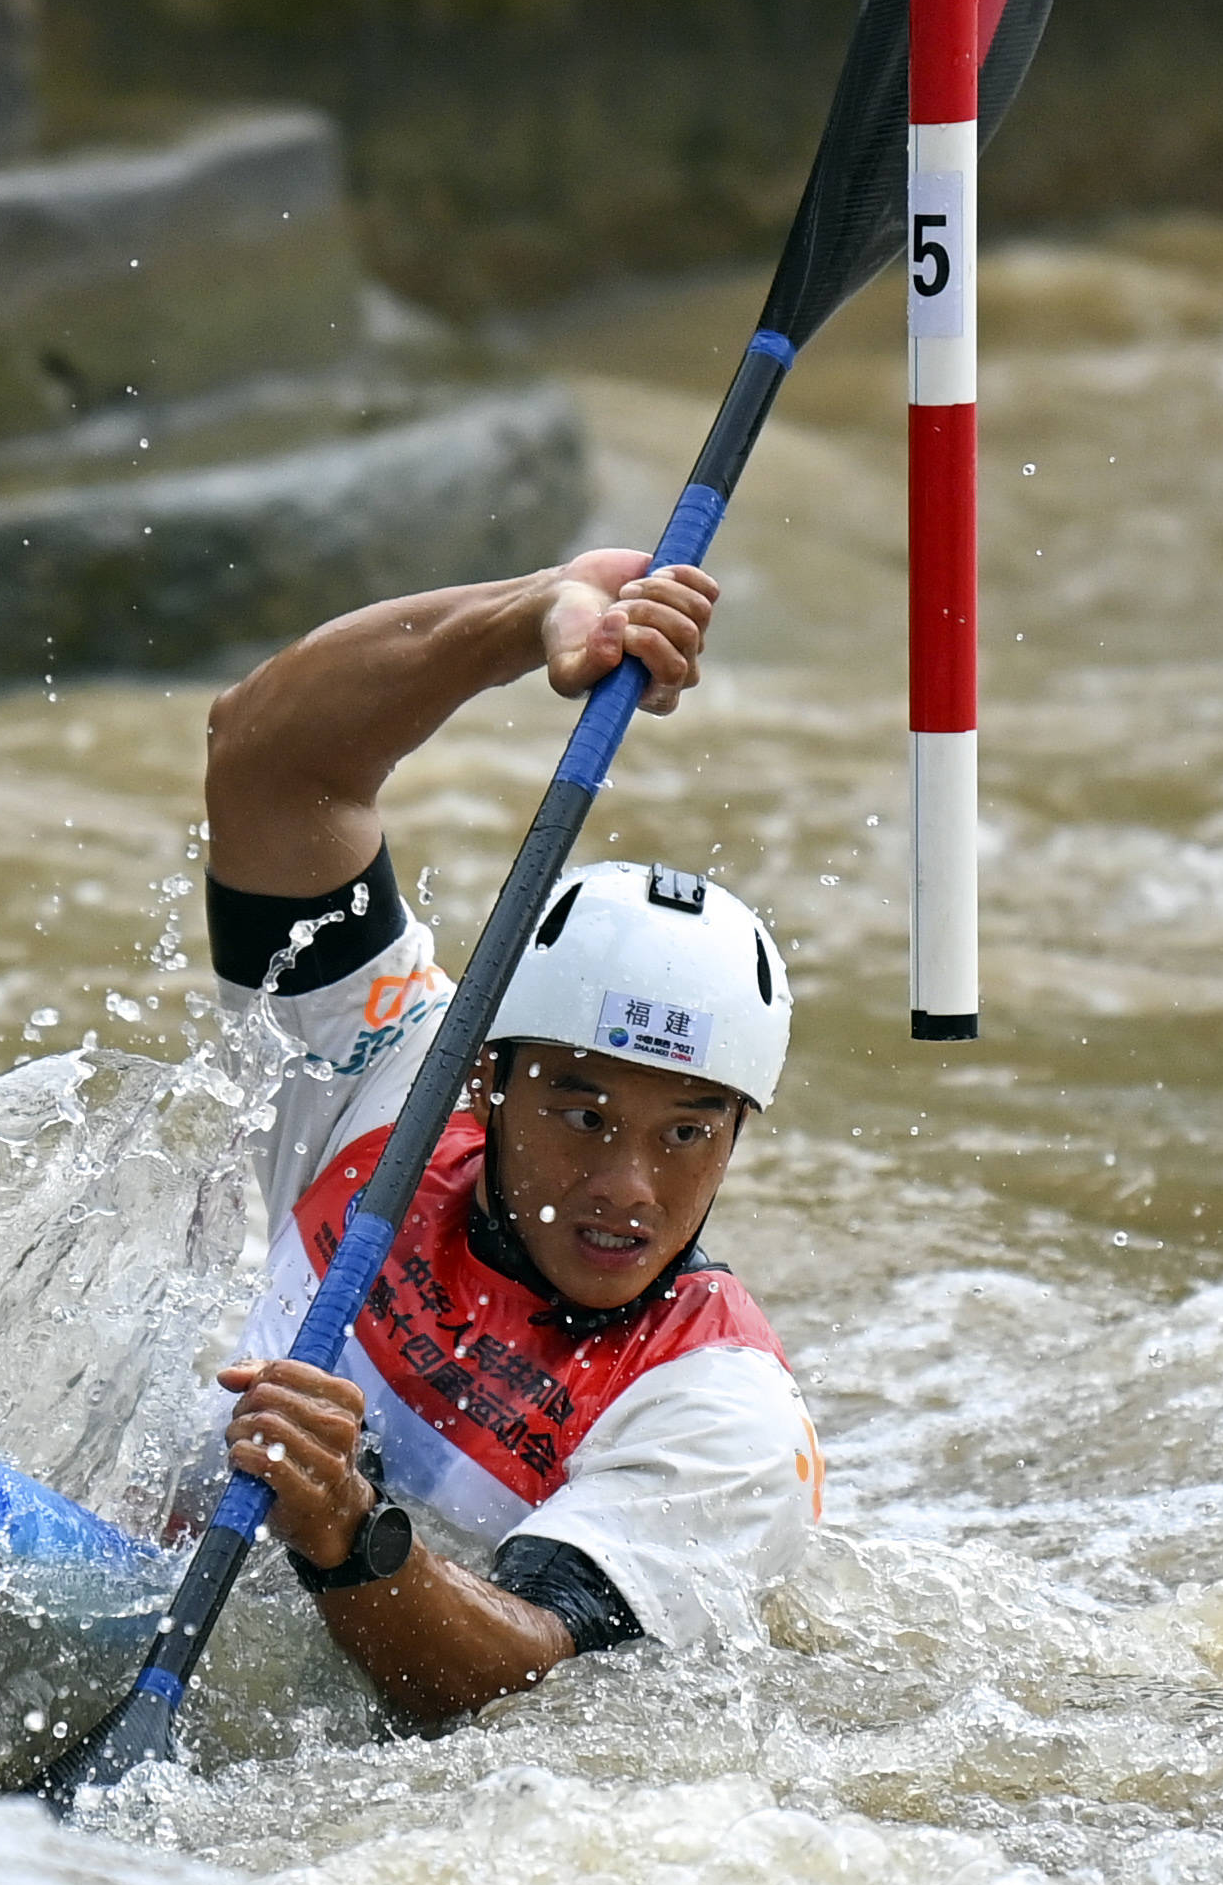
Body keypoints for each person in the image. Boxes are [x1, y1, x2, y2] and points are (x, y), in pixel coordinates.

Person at [205, 547, 823, 1724]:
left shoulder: (722, 1417)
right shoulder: (391, 1073)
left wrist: (349, 1535)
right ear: (486, 1081)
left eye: (689, 1134)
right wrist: (523, 616)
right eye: (584, 1115)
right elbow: (271, 766)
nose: (629, 1188)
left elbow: (511, 1681)